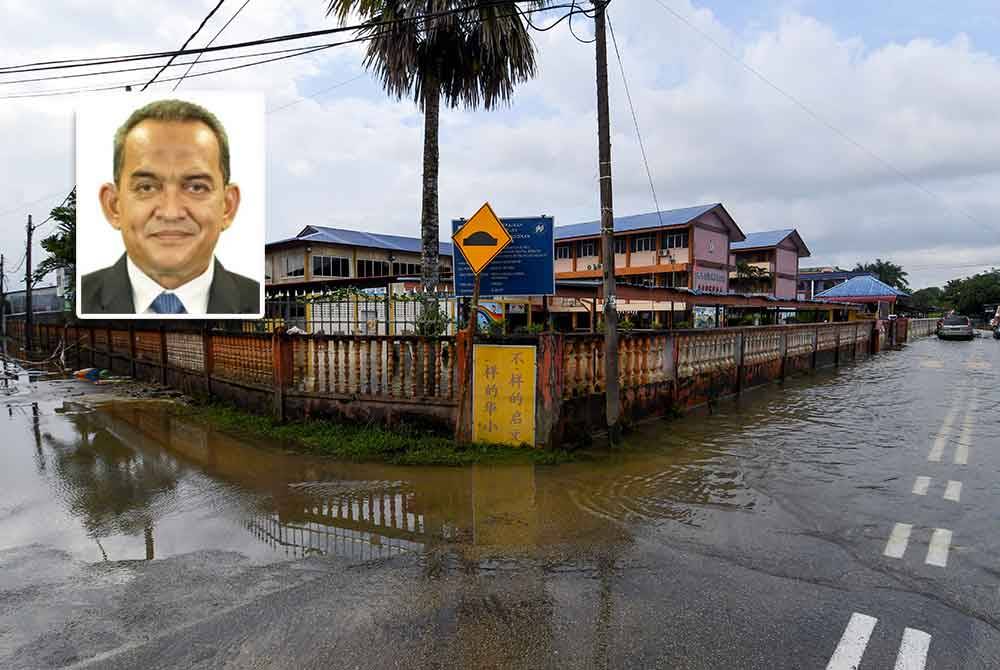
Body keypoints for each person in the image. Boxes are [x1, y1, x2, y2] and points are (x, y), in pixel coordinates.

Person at [81, 99, 260, 315]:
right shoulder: (81, 300)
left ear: (228, 207)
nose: (171, 212)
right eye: (146, 187)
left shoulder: (256, 301)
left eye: (196, 187)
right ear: (113, 206)